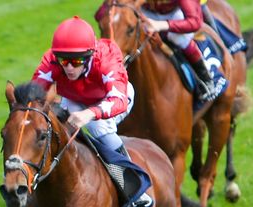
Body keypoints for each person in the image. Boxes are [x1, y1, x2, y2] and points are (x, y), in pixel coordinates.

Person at [31, 16, 135, 159]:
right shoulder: (53, 61)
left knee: (98, 128)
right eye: (64, 61)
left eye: (77, 61)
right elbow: (33, 92)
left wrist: (90, 113)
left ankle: (128, 173)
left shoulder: (106, 61)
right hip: (75, 98)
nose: (69, 68)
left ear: (89, 57)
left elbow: (119, 100)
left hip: (112, 98)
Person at [134, 0, 223, 102]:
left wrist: (162, 25)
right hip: (144, 11)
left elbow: (195, 22)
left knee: (181, 40)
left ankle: (205, 79)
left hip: (172, 14)